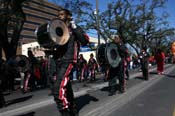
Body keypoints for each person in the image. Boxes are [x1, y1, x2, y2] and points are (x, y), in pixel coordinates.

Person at [51, 8, 89, 116]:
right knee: (66, 88)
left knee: (57, 88)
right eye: (58, 15)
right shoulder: (58, 29)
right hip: (58, 61)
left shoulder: (74, 29)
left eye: (62, 14)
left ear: (68, 16)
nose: (59, 16)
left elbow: (85, 41)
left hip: (69, 60)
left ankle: (65, 112)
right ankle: (73, 110)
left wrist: (74, 26)